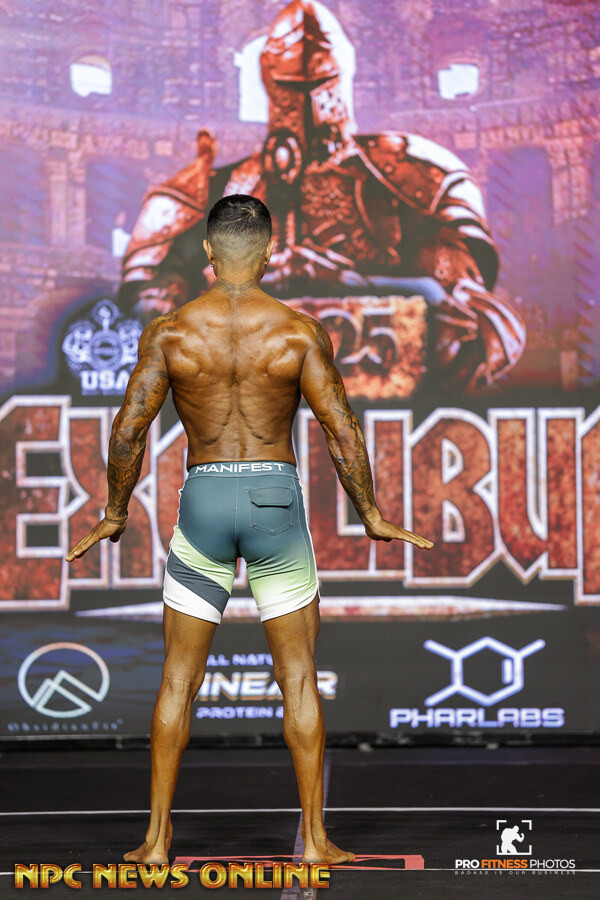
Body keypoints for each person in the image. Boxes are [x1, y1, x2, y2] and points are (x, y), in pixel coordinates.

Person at [66, 194, 433, 866]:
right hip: (273, 502)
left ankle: (156, 841)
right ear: (269, 254)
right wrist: (370, 513)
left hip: (205, 498)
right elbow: (342, 430)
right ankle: (315, 842)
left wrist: (116, 511)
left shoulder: (171, 332)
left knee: (178, 679)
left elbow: (128, 430)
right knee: (298, 677)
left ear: (208, 252)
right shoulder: (297, 332)